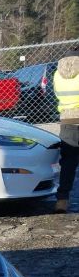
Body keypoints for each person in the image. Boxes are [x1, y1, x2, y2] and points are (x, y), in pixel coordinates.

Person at [53, 48, 79, 213]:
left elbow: (56, 93)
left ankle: (62, 200)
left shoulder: (57, 73)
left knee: (68, 162)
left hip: (67, 119)